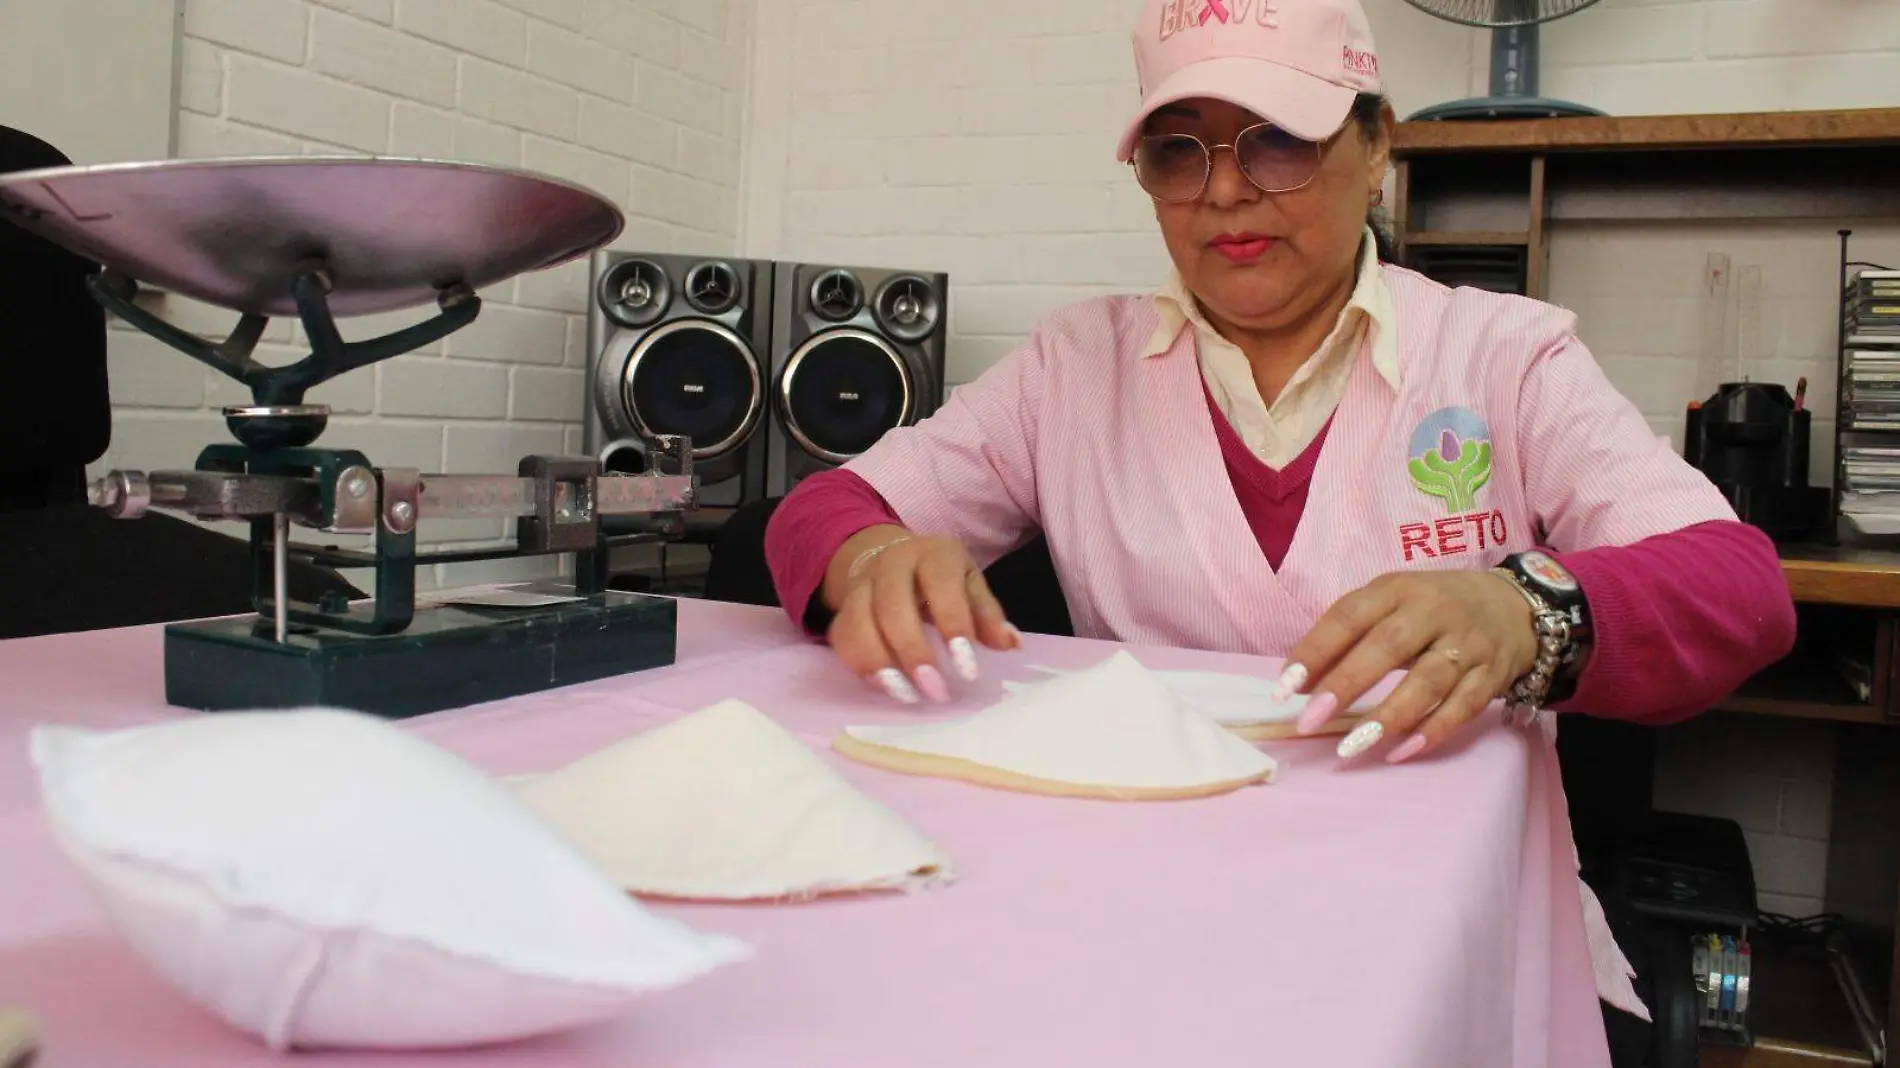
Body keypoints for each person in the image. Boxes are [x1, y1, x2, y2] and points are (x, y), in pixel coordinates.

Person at [765, 0, 1796, 761]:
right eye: (1178, 153)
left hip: (1424, 877)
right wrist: (872, 561)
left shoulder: (1502, 357)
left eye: (1278, 142)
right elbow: (827, 509)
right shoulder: (1076, 367)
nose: (1222, 191)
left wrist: (1522, 614)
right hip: (1150, 853)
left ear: (1376, 142)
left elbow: (1739, 587)